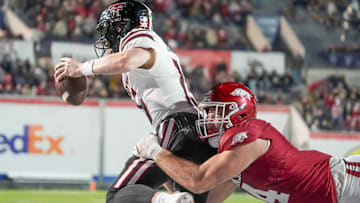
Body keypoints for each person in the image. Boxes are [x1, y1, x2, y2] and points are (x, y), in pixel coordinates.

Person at [54, 0, 217, 202]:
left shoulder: (139, 37)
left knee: (118, 195)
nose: (106, 36)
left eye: (109, 28)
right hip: (193, 132)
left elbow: (127, 60)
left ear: (122, 25)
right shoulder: (155, 47)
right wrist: (170, 194)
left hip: (177, 125)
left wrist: (81, 69)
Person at [135, 82, 360, 203]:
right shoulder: (231, 158)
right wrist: (169, 163)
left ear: (238, 113)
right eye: (208, 112)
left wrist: (156, 152)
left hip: (345, 181)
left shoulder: (248, 133)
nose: (208, 119)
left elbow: (199, 180)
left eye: (215, 111)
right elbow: (199, 199)